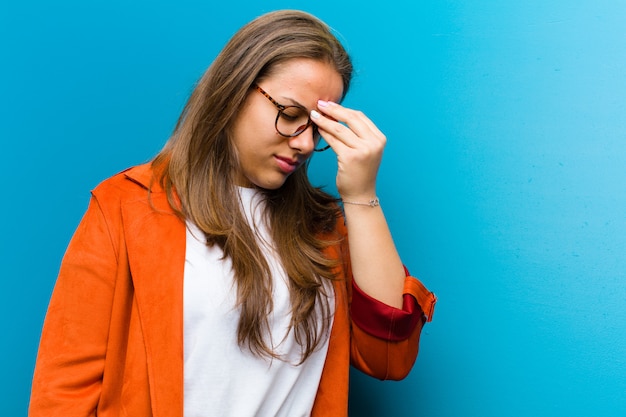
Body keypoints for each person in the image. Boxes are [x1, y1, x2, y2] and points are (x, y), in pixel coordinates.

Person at [29, 9, 436, 417]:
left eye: (318, 128)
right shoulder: (125, 205)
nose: (306, 144)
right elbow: (62, 394)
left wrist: (361, 195)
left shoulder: (323, 229)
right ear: (233, 89)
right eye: (291, 115)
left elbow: (388, 356)